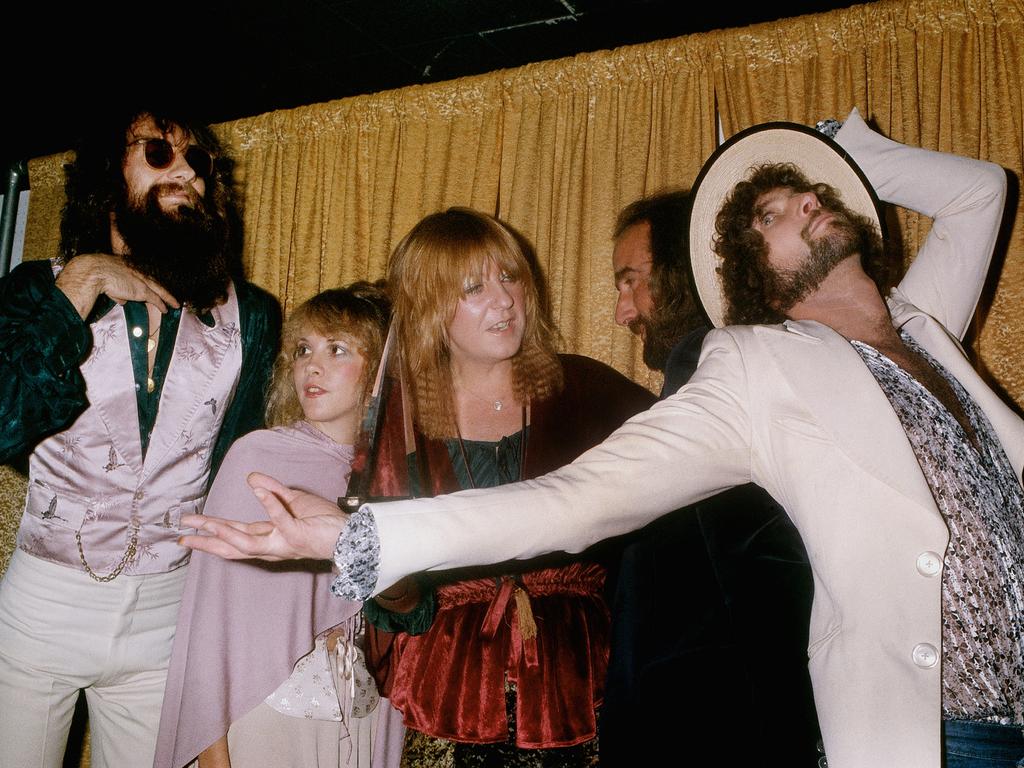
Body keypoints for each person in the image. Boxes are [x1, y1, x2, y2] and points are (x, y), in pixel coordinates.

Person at [182, 109, 1021, 768]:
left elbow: (982, 190)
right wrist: (367, 536)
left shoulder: (924, 325)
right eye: (779, 207)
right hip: (937, 733)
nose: (812, 201)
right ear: (748, 273)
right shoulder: (758, 369)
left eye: (821, 198)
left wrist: (836, 157)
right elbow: (578, 500)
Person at [0, 106, 281, 768]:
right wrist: (84, 280)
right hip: (43, 608)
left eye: (201, 163)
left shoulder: (254, 317)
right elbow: (6, 416)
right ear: (107, 176)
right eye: (159, 153)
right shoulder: (35, 291)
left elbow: (237, 480)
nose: (189, 172)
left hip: (164, 618)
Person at [343, 208, 654, 765]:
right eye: (474, 287)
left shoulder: (590, 390)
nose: (505, 298)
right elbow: (391, 600)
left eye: (510, 276)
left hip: (582, 683)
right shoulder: (402, 417)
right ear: (428, 307)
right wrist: (389, 578)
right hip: (453, 692)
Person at [603, 190, 820, 765]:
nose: (623, 312)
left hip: (712, 730)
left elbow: (769, 580)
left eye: (632, 281)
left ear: (682, 272)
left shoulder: (711, 370)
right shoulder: (752, 370)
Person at [154, 283, 404, 768]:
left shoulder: (394, 476)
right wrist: (213, 757)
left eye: (337, 350)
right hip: (271, 710)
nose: (312, 365)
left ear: (378, 371)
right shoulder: (258, 457)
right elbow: (209, 623)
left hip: (364, 711)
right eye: (303, 349)